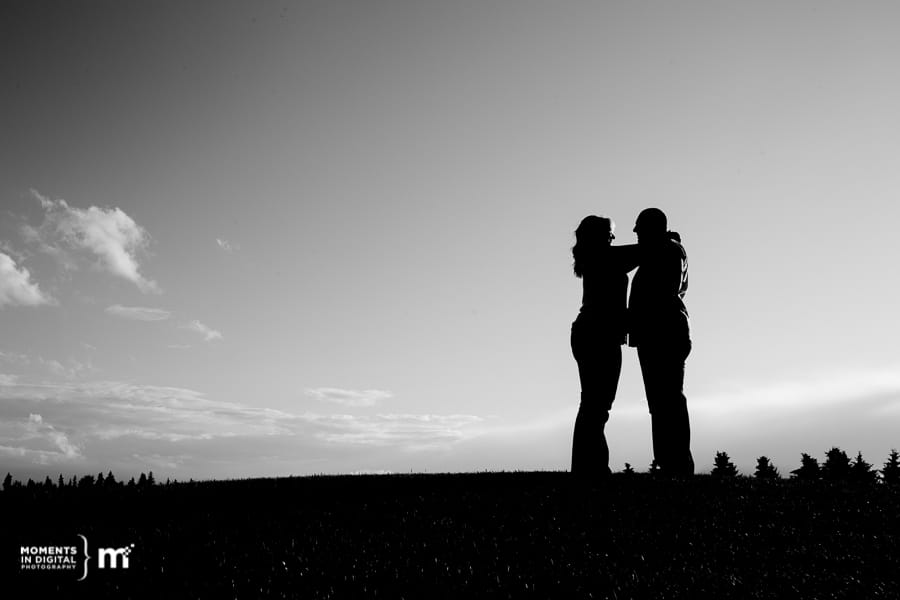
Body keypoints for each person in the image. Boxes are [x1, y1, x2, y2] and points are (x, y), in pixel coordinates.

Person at [570, 215, 639, 479]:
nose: (613, 238)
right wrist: (664, 239)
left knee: (594, 404)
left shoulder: (597, 257)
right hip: (598, 335)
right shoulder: (603, 257)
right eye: (610, 234)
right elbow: (641, 251)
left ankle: (588, 468)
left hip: (591, 333)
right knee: (596, 405)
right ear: (599, 237)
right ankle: (591, 469)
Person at [627, 208, 694, 476]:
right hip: (656, 332)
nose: (636, 233)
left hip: (663, 332)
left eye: (640, 228)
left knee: (668, 399)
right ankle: (668, 461)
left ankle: (676, 463)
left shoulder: (667, 251)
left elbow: (661, 293)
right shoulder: (663, 250)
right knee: (660, 401)